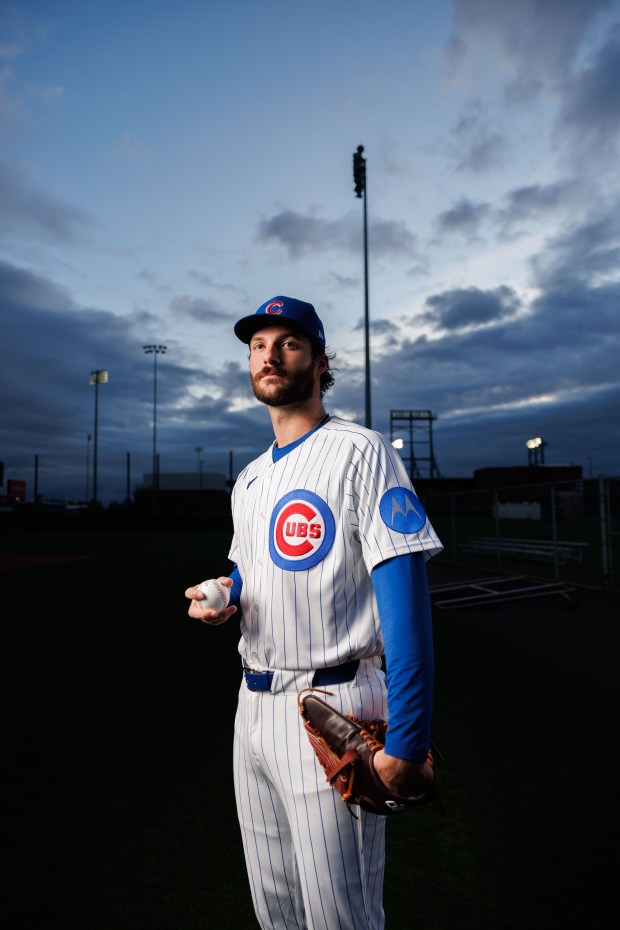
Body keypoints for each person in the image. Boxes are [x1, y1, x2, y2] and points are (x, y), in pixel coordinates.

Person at [185, 295, 443, 930]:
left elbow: (405, 600)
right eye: (257, 346)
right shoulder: (248, 481)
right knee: (275, 911)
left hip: (335, 711)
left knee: (340, 916)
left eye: (288, 344)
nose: (269, 356)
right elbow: (253, 571)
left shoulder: (362, 452)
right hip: (253, 712)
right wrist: (226, 594)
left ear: (320, 362)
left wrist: (406, 745)